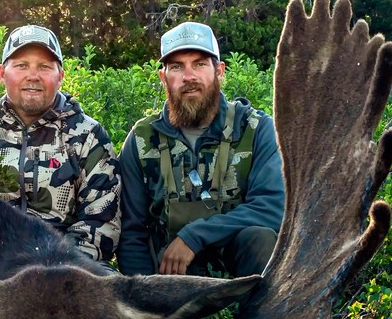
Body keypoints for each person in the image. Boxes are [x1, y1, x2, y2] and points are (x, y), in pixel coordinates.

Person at [117, 20, 284, 281]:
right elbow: (132, 232)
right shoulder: (142, 138)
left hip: (238, 282)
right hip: (168, 285)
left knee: (260, 237)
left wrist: (193, 237)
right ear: (163, 77)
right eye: (176, 67)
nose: (189, 77)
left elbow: (273, 208)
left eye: (199, 64)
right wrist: (153, 310)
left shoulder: (257, 129)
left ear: (219, 71)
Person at [0, 24, 120, 264]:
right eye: (22, 65)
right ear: (2, 73)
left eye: (44, 67)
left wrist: (57, 268)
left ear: (60, 76)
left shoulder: (89, 136)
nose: (33, 76)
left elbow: (101, 223)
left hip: (67, 269)